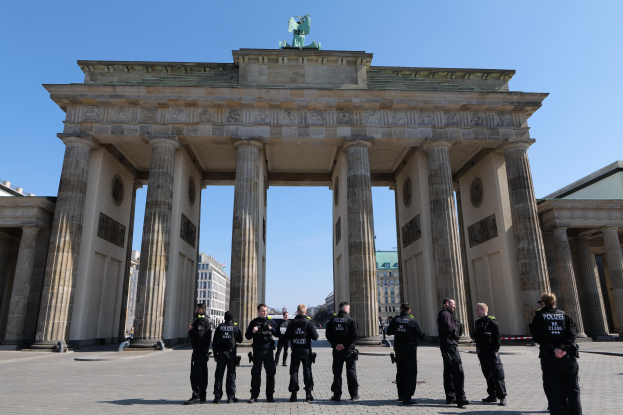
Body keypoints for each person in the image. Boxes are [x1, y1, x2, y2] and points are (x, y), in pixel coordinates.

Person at [530, 293, 581, 415]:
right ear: (555, 302)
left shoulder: (539, 317)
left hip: (550, 358)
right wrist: (562, 348)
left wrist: (554, 349)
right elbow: (572, 335)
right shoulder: (565, 316)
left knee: (553, 391)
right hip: (567, 357)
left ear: (542, 303)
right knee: (573, 390)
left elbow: (538, 337)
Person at [386, 303, 425, 405]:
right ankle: (407, 397)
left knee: (400, 371)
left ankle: (400, 395)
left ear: (401, 310)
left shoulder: (395, 320)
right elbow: (422, 335)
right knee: (410, 373)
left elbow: (389, 332)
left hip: (398, 349)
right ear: (409, 311)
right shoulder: (412, 321)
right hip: (410, 350)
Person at [472, 303, 506, 406]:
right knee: (488, 374)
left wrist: (496, 350)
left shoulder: (492, 322)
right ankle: (492, 395)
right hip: (482, 352)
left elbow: (497, 337)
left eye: (478, 309)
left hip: (491, 351)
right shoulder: (478, 322)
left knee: (497, 374)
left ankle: (502, 396)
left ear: (483, 309)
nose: (476, 311)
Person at [437, 298, 469, 408]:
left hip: (448, 344)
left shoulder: (447, 313)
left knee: (449, 371)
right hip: (449, 345)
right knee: (458, 371)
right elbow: (448, 327)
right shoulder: (445, 314)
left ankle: (451, 397)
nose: (455, 306)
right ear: (447, 303)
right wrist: (456, 324)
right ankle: (460, 398)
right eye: (453, 304)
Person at [245, 303, 280, 403]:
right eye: (263, 311)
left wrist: (271, 329)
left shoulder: (270, 321)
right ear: (258, 312)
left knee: (270, 373)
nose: (265, 312)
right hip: (257, 351)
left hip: (268, 350)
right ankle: (254, 395)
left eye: (266, 311)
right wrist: (253, 331)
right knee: (256, 374)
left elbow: (278, 333)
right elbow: (247, 336)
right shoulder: (254, 322)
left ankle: (270, 396)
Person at [284, 304, 319, 402]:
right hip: (306, 351)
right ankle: (308, 394)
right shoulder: (309, 323)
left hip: (295, 351)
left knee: (294, 371)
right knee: (307, 371)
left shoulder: (292, 323)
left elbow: (286, 337)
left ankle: (294, 395)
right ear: (305, 312)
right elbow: (315, 337)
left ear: (297, 312)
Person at [326, 301, 358, 401]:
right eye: (348, 308)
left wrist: (336, 345)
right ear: (345, 309)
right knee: (351, 372)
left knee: (337, 373)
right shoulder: (351, 320)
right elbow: (354, 335)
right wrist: (345, 345)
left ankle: (337, 395)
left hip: (337, 351)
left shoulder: (332, 320)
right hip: (349, 350)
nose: (349, 310)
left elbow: (328, 335)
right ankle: (354, 395)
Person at [212, 310, 243, 403]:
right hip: (231, 354)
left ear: (224, 318)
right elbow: (240, 340)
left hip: (221, 353)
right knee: (231, 375)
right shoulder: (234, 327)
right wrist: (238, 329)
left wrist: (215, 354)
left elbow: (214, 342)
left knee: (219, 375)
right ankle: (230, 397)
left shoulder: (219, 327)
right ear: (232, 318)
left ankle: (217, 397)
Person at [184, 303, 212, 405]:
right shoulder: (207, 319)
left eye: (196, 309)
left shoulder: (200, 321)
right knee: (203, 373)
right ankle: (202, 395)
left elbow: (200, 336)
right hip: (204, 351)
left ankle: (196, 396)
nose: (195, 311)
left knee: (196, 373)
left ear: (200, 310)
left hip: (199, 351)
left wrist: (191, 330)